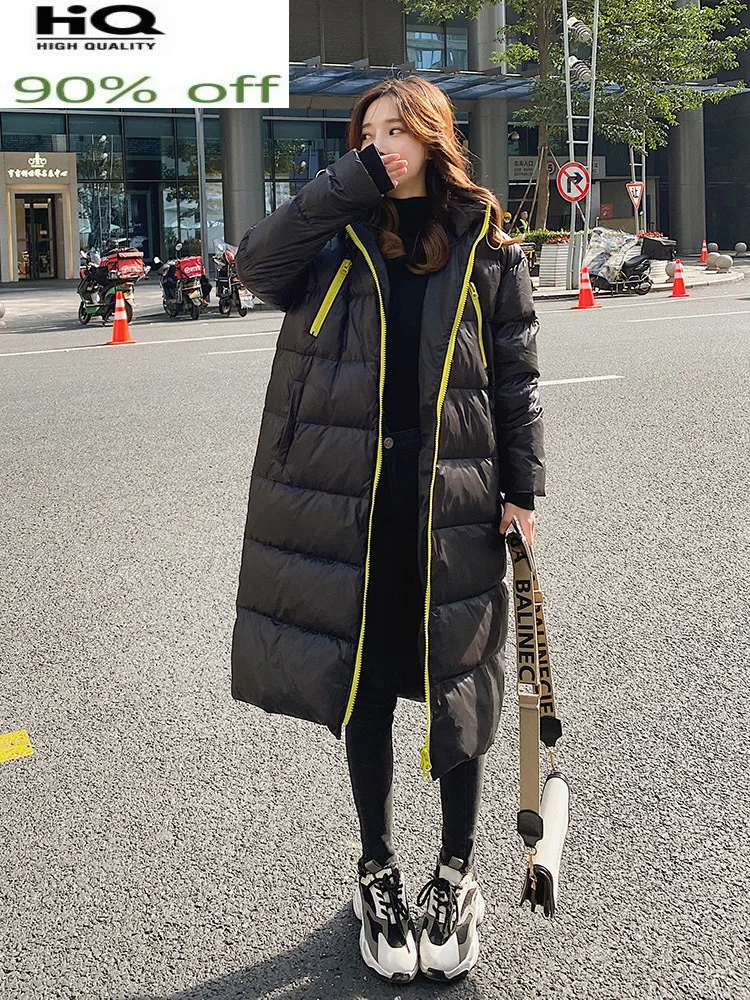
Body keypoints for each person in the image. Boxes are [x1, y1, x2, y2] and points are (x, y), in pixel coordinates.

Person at [231, 76, 544, 984]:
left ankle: (455, 871)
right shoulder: (334, 236)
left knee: (459, 682)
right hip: (349, 497)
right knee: (363, 681)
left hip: (455, 496)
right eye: (368, 133)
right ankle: (376, 866)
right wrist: (346, 185)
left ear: (433, 136)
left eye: (398, 129)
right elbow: (253, 267)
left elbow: (518, 375)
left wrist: (523, 490)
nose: (383, 145)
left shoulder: (487, 241)